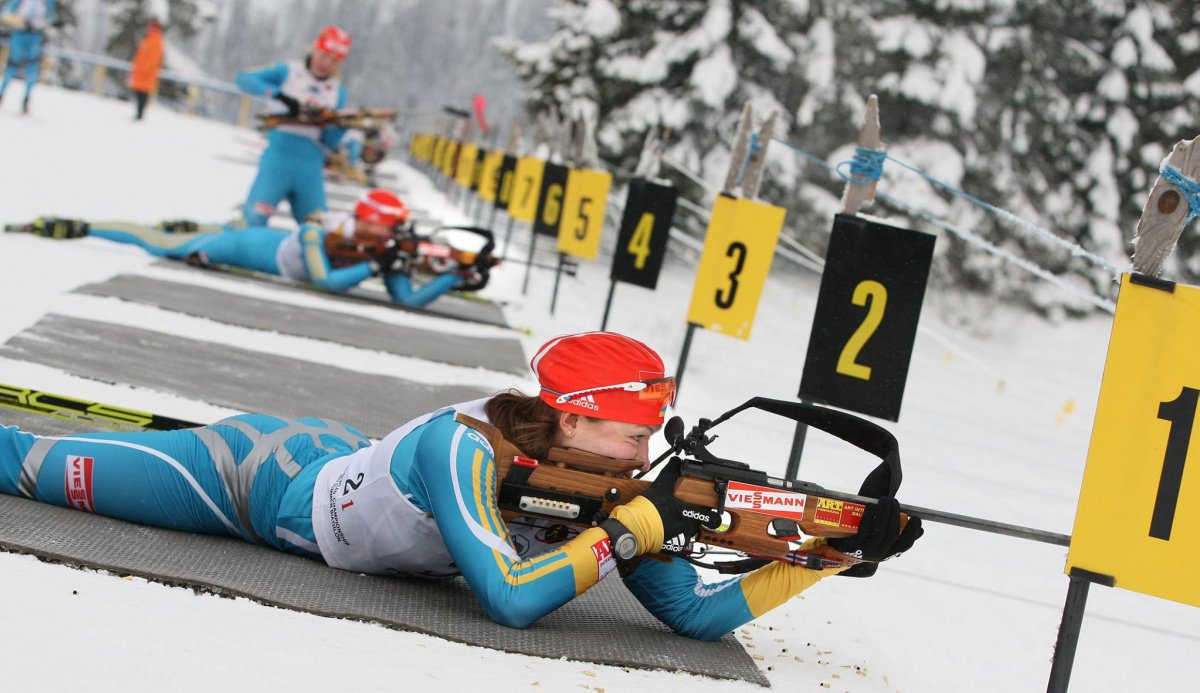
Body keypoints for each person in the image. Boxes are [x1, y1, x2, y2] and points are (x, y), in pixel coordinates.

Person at [0, 331, 922, 638]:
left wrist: (831, 554)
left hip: (340, 459)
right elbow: (511, 602)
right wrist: (627, 534)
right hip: (247, 479)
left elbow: (699, 618)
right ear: (569, 417)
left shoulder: (616, 488)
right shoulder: (465, 446)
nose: (645, 450)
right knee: (30, 467)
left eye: (653, 434)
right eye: (631, 431)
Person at [15, 189, 482, 309]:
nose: (390, 240)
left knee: (188, 230)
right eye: (387, 231)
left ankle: (191, 224)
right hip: (234, 246)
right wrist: (373, 266)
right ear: (366, 223)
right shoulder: (317, 232)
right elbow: (325, 282)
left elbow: (408, 299)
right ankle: (81, 225)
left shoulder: (376, 249)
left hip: (250, 238)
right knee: (152, 238)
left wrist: (454, 277)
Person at [234, 25, 351, 226]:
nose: (325, 64)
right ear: (315, 49)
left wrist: (341, 126)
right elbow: (244, 79)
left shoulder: (338, 92)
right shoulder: (288, 71)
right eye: (323, 56)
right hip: (278, 160)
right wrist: (279, 95)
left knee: (318, 228)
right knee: (253, 220)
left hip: (310, 168)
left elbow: (328, 142)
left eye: (333, 61)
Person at [0, 0, 54, 114]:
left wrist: (41, 23)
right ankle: (1, 94)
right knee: (12, 65)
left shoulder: (48, 2)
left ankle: (26, 98)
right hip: (19, 35)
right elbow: (5, 13)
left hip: (35, 36)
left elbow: (51, 16)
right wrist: (18, 21)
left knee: (33, 68)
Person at [128, 17, 163, 121]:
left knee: (143, 94)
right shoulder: (148, 38)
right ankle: (138, 113)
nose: (149, 29)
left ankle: (140, 114)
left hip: (147, 73)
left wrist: (145, 68)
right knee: (139, 93)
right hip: (140, 72)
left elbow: (153, 58)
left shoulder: (156, 40)